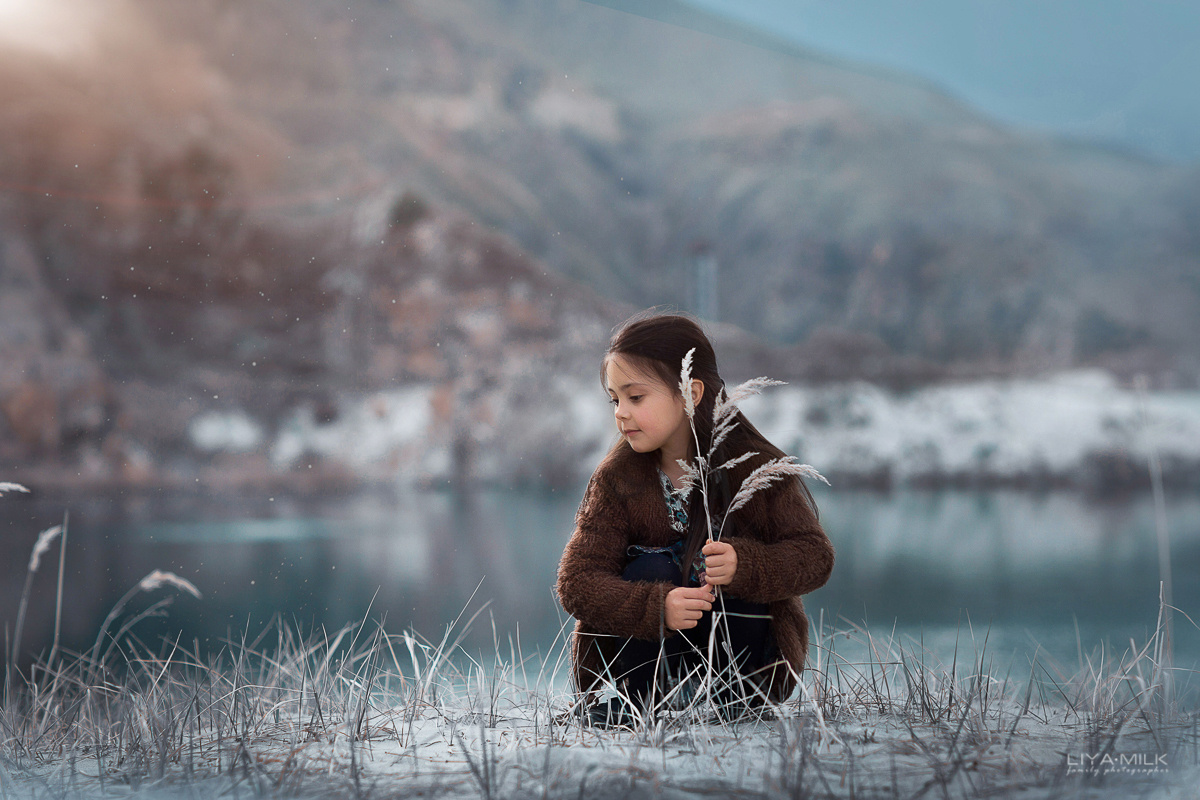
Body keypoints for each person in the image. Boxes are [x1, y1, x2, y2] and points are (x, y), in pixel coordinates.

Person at [555, 310, 835, 725]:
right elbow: (576, 581)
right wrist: (656, 607)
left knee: (725, 571)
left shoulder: (754, 468)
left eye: (635, 397)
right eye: (614, 400)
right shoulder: (618, 478)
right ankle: (635, 703)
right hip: (647, 664)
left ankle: (738, 701)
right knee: (651, 565)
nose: (620, 413)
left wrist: (746, 564)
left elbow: (815, 557)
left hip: (747, 666)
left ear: (691, 392)